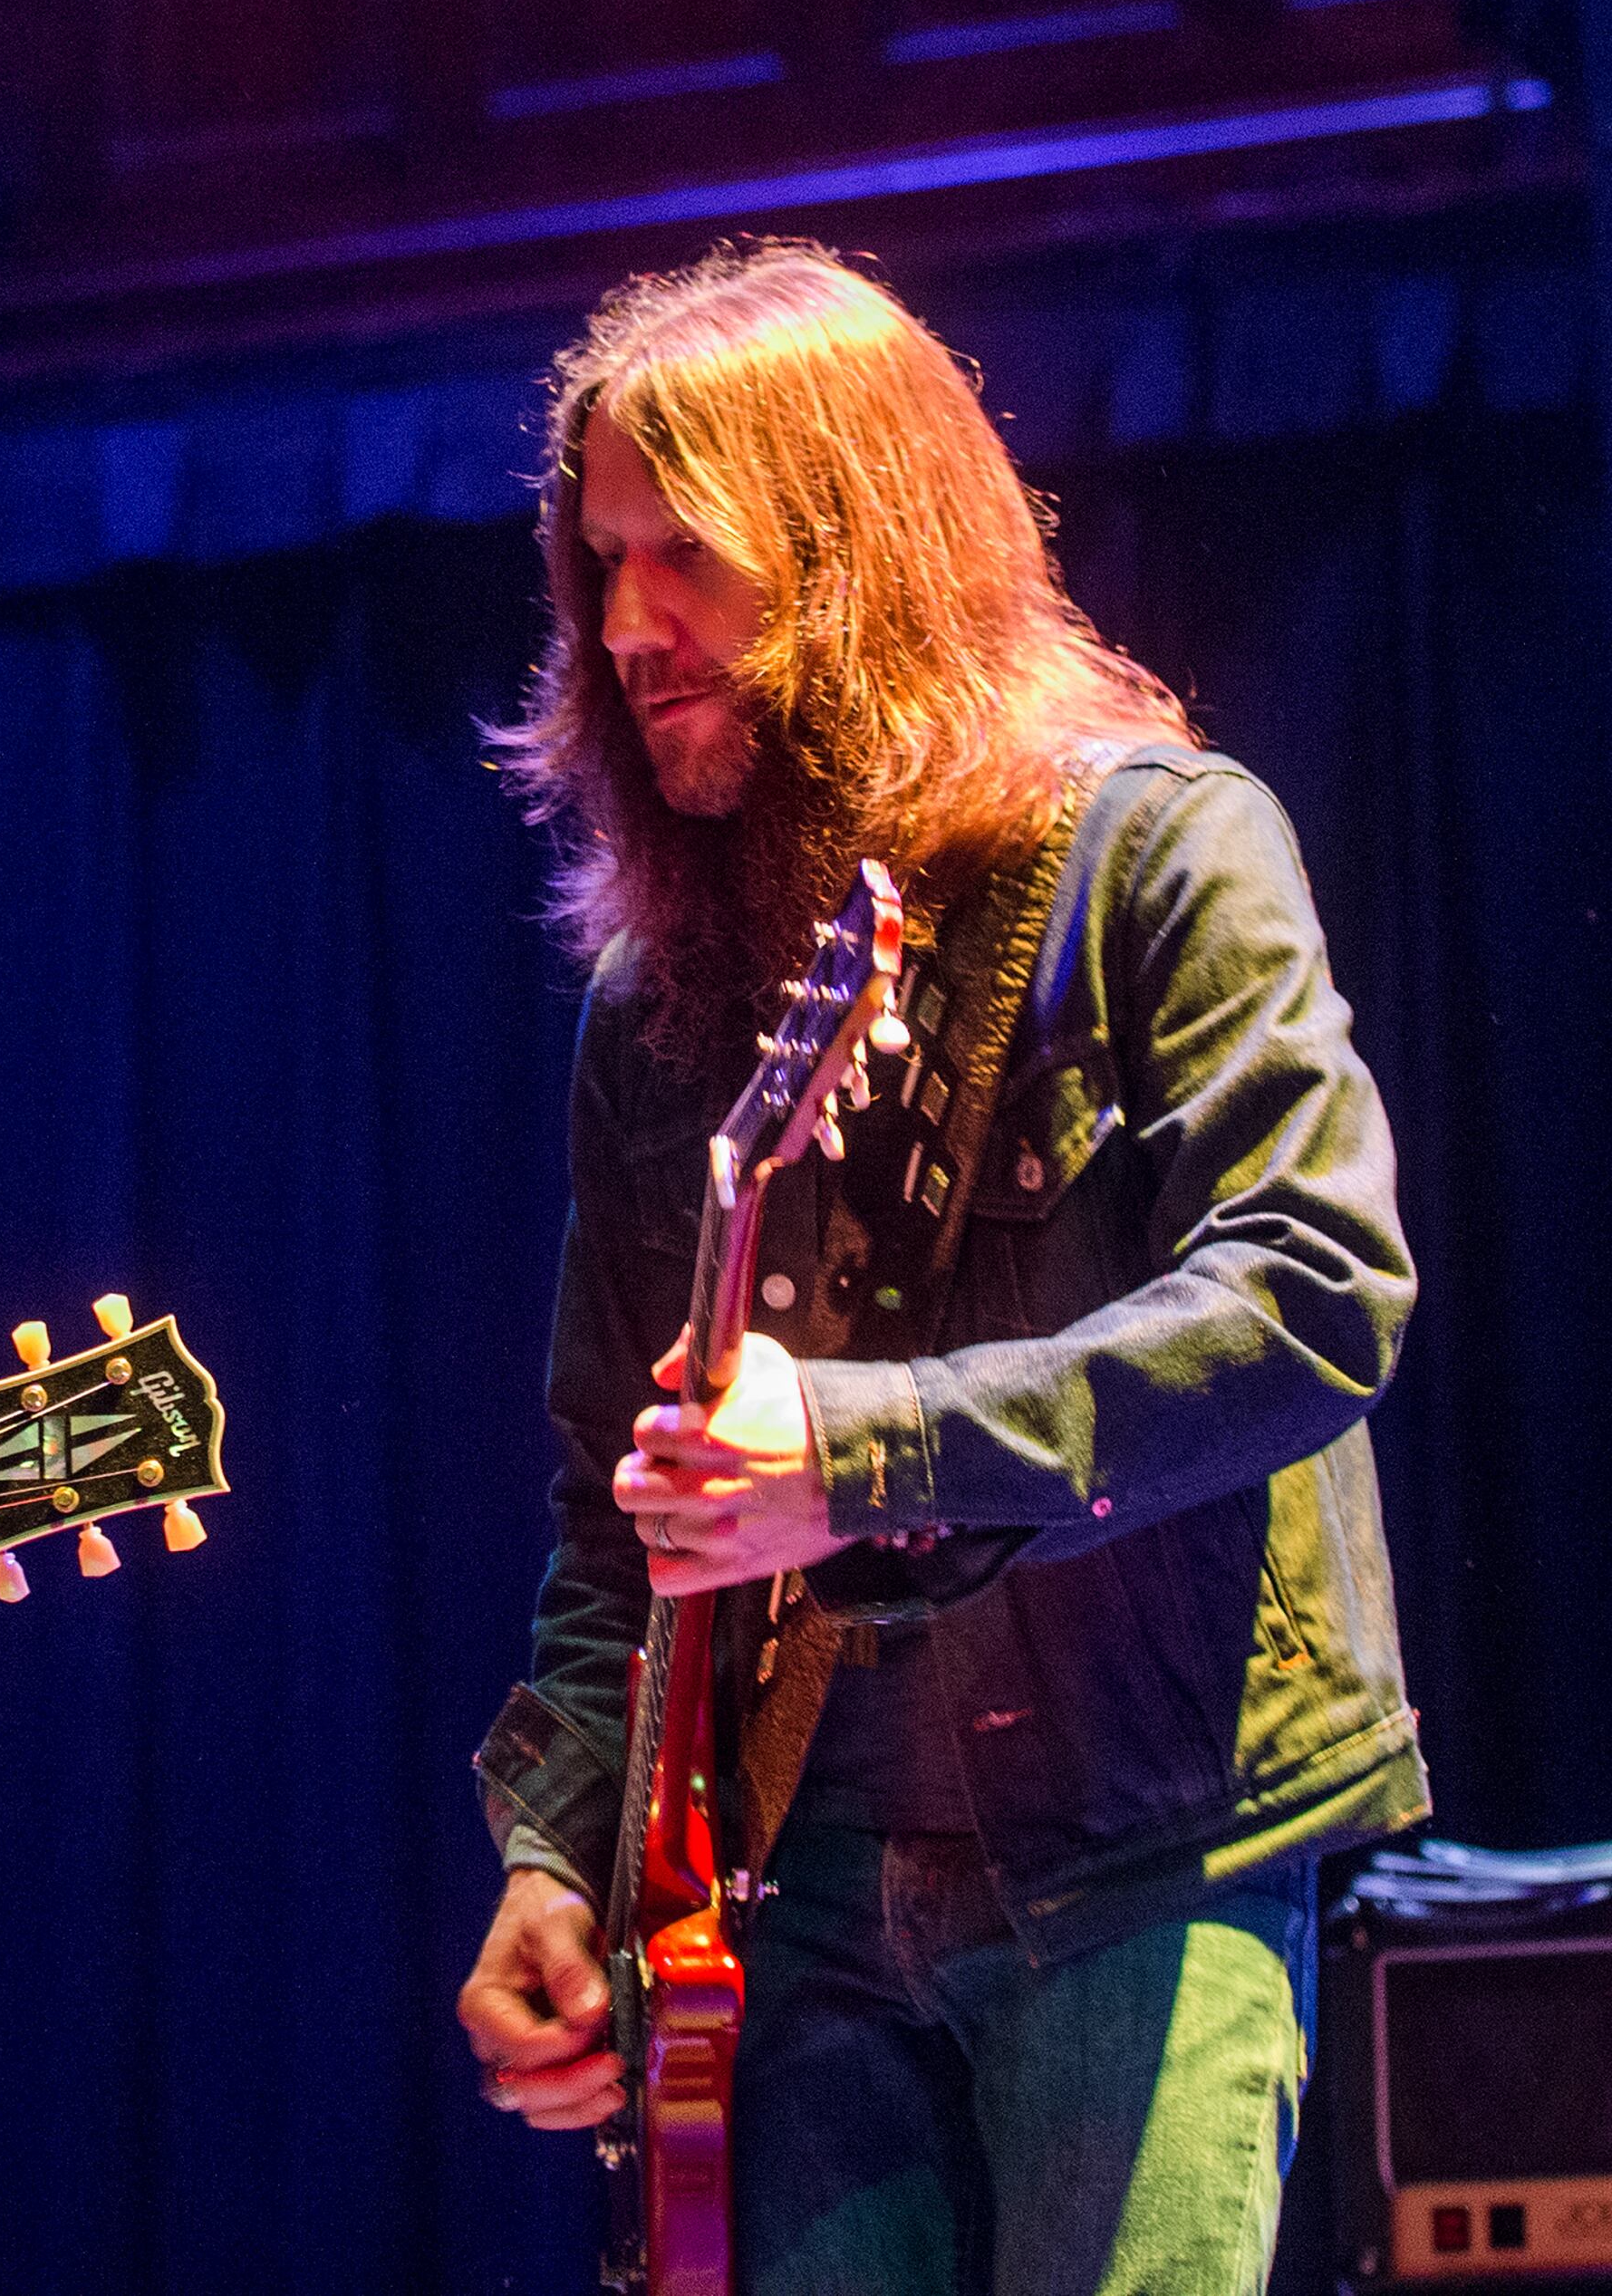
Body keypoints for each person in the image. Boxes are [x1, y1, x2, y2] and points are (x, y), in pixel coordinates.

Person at [452, 244, 1425, 2294]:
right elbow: (606, 1499)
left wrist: (864, 1454)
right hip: (790, 1906)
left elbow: (1316, 1294)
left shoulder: (1160, 853)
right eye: (599, 564)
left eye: (684, 559)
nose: (629, 628)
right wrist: (560, 1854)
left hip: (1140, 1855)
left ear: (854, 548)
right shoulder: (650, 1010)